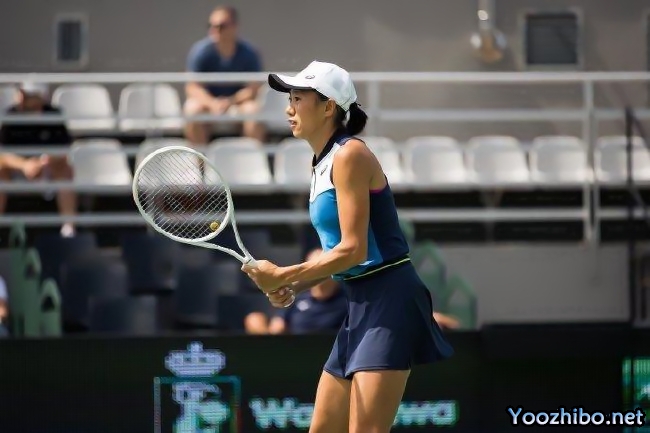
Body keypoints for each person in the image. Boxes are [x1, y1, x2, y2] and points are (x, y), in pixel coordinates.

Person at [241, 60, 454, 433]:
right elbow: (338, 254)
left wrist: (284, 273)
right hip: (358, 303)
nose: (289, 109)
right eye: (289, 99)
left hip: (390, 299)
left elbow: (354, 250)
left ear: (328, 107)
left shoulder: (351, 155)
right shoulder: (320, 162)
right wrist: (295, 286)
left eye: (298, 99)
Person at [0, 81, 76, 237]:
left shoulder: (54, 115)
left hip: (46, 168)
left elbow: (63, 150)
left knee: (66, 170)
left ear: (41, 98)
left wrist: (43, 163)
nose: (22, 98)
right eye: (22, 94)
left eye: (28, 95)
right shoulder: (10, 115)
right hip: (17, 169)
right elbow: (3, 154)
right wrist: (24, 165)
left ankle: (69, 229)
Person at [184, 5, 266, 145]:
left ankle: (250, 157)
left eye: (221, 26)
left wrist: (230, 101)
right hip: (208, 104)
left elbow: (253, 88)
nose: (215, 30)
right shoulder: (200, 51)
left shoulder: (249, 52)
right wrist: (212, 103)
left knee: (253, 111)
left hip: (238, 104)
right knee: (192, 110)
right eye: (211, 26)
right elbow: (192, 87)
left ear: (235, 27)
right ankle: (198, 158)